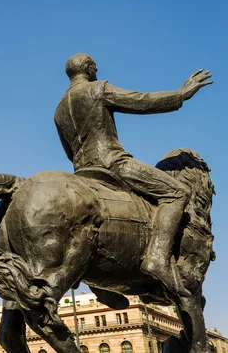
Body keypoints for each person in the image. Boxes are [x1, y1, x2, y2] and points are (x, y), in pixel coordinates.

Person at [54, 53, 212, 297]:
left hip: (83, 173)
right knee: (178, 192)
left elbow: (68, 150)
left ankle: (97, 284)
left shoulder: (59, 109)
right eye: (95, 67)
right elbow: (142, 101)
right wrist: (181, 94)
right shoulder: (99, 89)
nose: (97, 71)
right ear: (89, 68)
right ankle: (158, 257)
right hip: (113, 163)